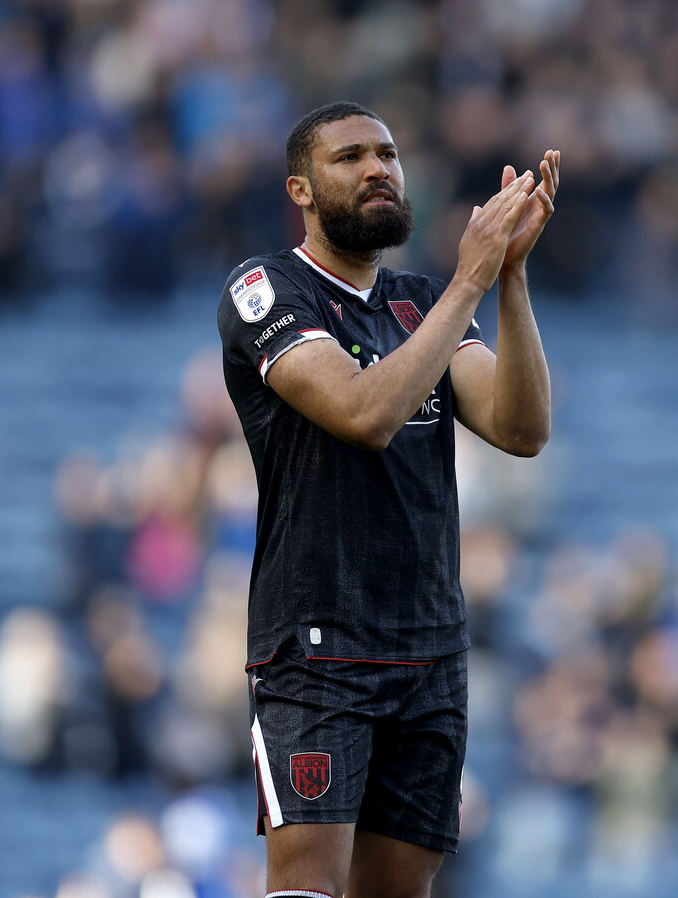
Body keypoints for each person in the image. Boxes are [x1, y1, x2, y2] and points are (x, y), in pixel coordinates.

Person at [217, 100, 557, 898]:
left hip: (430, 646)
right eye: (350, 157)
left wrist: (508, 277)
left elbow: (522, 430)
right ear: (300, 188)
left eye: (389, 154)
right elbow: (364, 415)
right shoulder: (266, 290)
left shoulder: (418, 302)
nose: (378, 169)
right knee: (307, 887)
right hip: (317, 643)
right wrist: (471, 278)